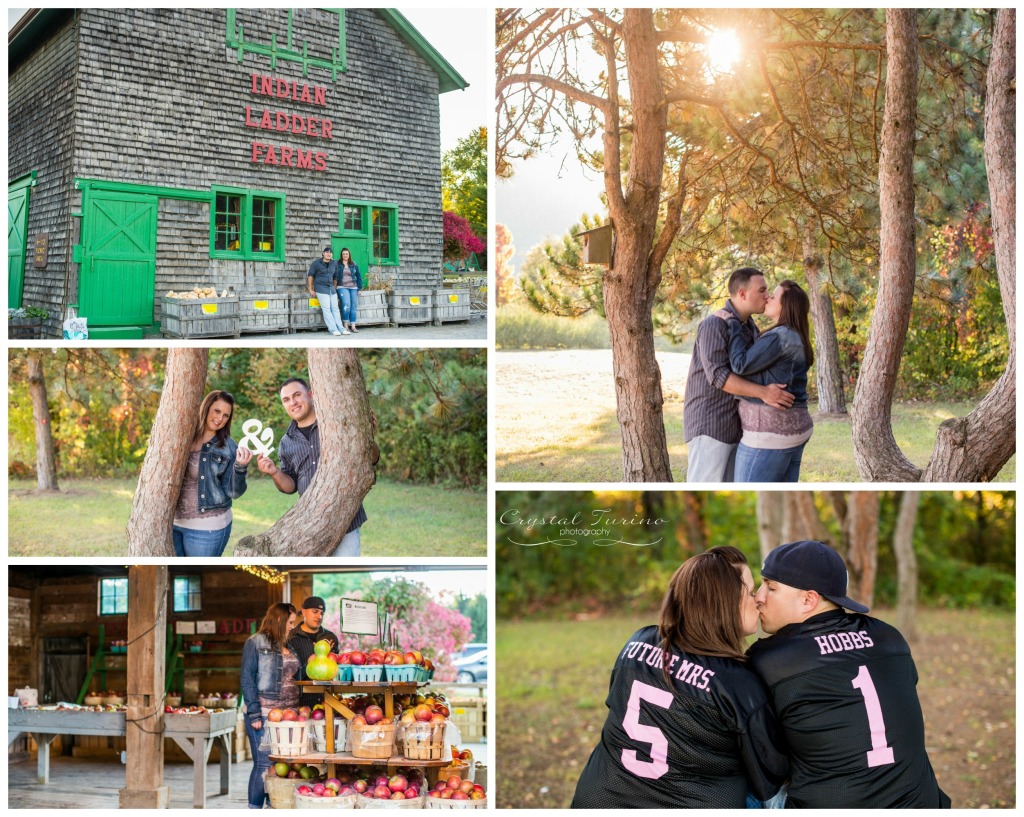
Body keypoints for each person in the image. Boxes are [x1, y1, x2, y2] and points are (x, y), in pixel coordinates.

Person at [571, 547, 788, 808]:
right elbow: (771, 775)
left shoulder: (637, 642)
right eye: (750, 591)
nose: (757, 600)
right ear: (724, 600)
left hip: (600, 798)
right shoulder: (737, 682)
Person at [748, 540, 951, 808]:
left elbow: (765, 760)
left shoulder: (769, 660)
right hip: (921, 803)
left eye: (771, 587)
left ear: (809, 599)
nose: (758, 597)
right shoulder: (890, 638)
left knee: (729, 778)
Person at [683, 267, 795, 483]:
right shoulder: (714, 324)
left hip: (736, 426)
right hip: (711, 424)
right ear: (743, 294)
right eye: (761, 290)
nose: (767, 295)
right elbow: (718, 375)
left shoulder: (748, 327)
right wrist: (765, 393)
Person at [256, 377, 372, 556]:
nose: (292, 402)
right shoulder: (286, 443)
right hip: (311, 526)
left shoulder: (335, 424)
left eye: (297, 395)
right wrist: (274, 472)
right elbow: (290, 487)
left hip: (346, 520)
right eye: (286, 400)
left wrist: (368, 436)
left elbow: (370, 459)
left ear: (310, 395)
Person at [721, 279, 814, 482]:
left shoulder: (779, 336)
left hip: (770, 436)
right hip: (795, 431)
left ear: (786, 305)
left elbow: (740, 364)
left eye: (774, 295)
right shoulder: (796, 336)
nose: (768, 297)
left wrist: (733, 322)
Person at [172, 390, 251, 557]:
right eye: (216, 411)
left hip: (207, 529)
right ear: (206, 408)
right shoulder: (182, 436)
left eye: (226, 415)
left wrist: (241, 467)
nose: (220, 418)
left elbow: (234, 492)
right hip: (173, 524)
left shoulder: (228, 448)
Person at [240, 602, 300, 810]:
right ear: (280, 620)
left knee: (280, 765)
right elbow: (247, 679)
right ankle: (254, 808)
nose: (293, 627)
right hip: (264, 714)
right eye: (290, 622)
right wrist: (254, 714)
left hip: (289, 716)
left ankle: (272, 805)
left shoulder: (289, 646)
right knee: (264, 764)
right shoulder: (255, 643)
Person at [287, 596, 340, 711]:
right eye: (315, 612)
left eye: (322, 613)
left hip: (327, 701)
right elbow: (288, 674)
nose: (319, 616)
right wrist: (309, 662)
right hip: (300, 703)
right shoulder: (291, 638)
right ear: (304, 611)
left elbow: (337, 669)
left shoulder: (331, 638)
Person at [308, 246, 347, 336]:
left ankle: (341, 328)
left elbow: (335, 277)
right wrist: (310, 289)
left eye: (330, 252)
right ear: (323, 253)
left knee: (335, 309)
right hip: (321, 289)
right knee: (327, 309)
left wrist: (334, 287)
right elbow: (310, 276)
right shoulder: (316, 263)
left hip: (331, 289)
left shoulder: (334, 263)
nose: (329, 254)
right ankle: (333, 329)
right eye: (326, 252)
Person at [335, 247, 362, 334]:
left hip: (353, 287)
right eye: (343, 254)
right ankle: (345, 325)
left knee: (354, 305)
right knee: (346, 304)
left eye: (346, 254)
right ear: (341, 255)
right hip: (342, 287)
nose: (345, 255)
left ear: (349, 254)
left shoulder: (354, 263)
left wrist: (359, 288)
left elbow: (358, 276)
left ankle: (353, 326)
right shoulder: (337, 263)